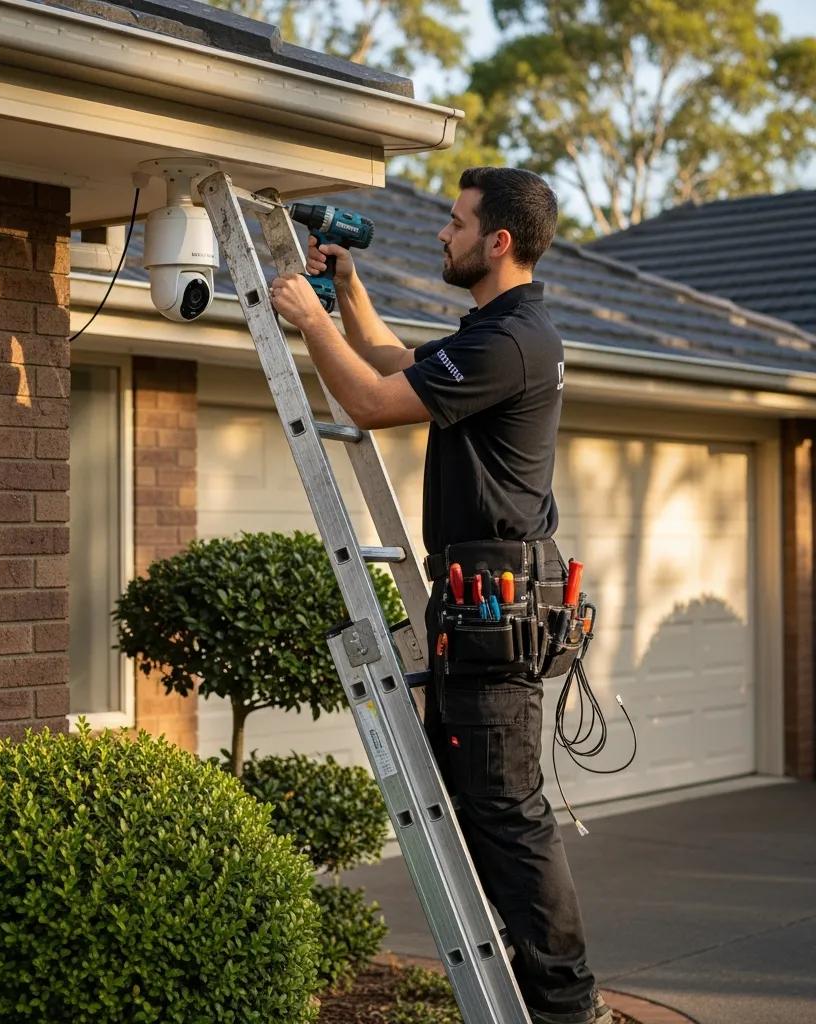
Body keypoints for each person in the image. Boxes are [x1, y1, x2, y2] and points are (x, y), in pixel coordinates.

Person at [269, 166, 610, 1024]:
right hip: (476, 598)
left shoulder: (512, 342)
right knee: (481, 805)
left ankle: (565, 1008)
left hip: (495, 601)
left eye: (455, 223)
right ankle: (529, 991)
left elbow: (372, 399)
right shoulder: (500, 333)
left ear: (499, 241)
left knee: (509, 813)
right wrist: (346, 295)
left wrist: (306, 319)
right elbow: (395, 360)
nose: (441, 233)